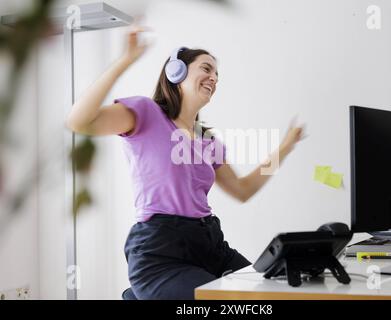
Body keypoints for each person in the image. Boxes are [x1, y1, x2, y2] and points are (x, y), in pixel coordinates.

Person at [65, 26, 304, 300]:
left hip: (211, 245)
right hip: (161, 253)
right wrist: (125, 60)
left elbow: (243, 190)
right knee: (225, 302)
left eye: (217, 74)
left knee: (269, 294)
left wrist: (284, 149)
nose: (213, 78)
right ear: (176, 72)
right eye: (206, 68)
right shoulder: (146, 114)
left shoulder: (208, 141)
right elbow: (80, 121)